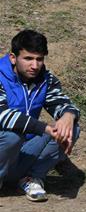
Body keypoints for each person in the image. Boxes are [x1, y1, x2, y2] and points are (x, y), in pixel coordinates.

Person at [0, 30, 80, 202]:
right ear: (13, 58)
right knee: (11, 136)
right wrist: (44, 128)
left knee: (70, 128)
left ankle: (30, 178)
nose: (35, 66)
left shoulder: (45, 78)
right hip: (4, 145)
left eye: (39, 59)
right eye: (28, 59)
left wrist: (68, 115)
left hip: (23, 151)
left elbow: (60, 102)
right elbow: (3, 116)